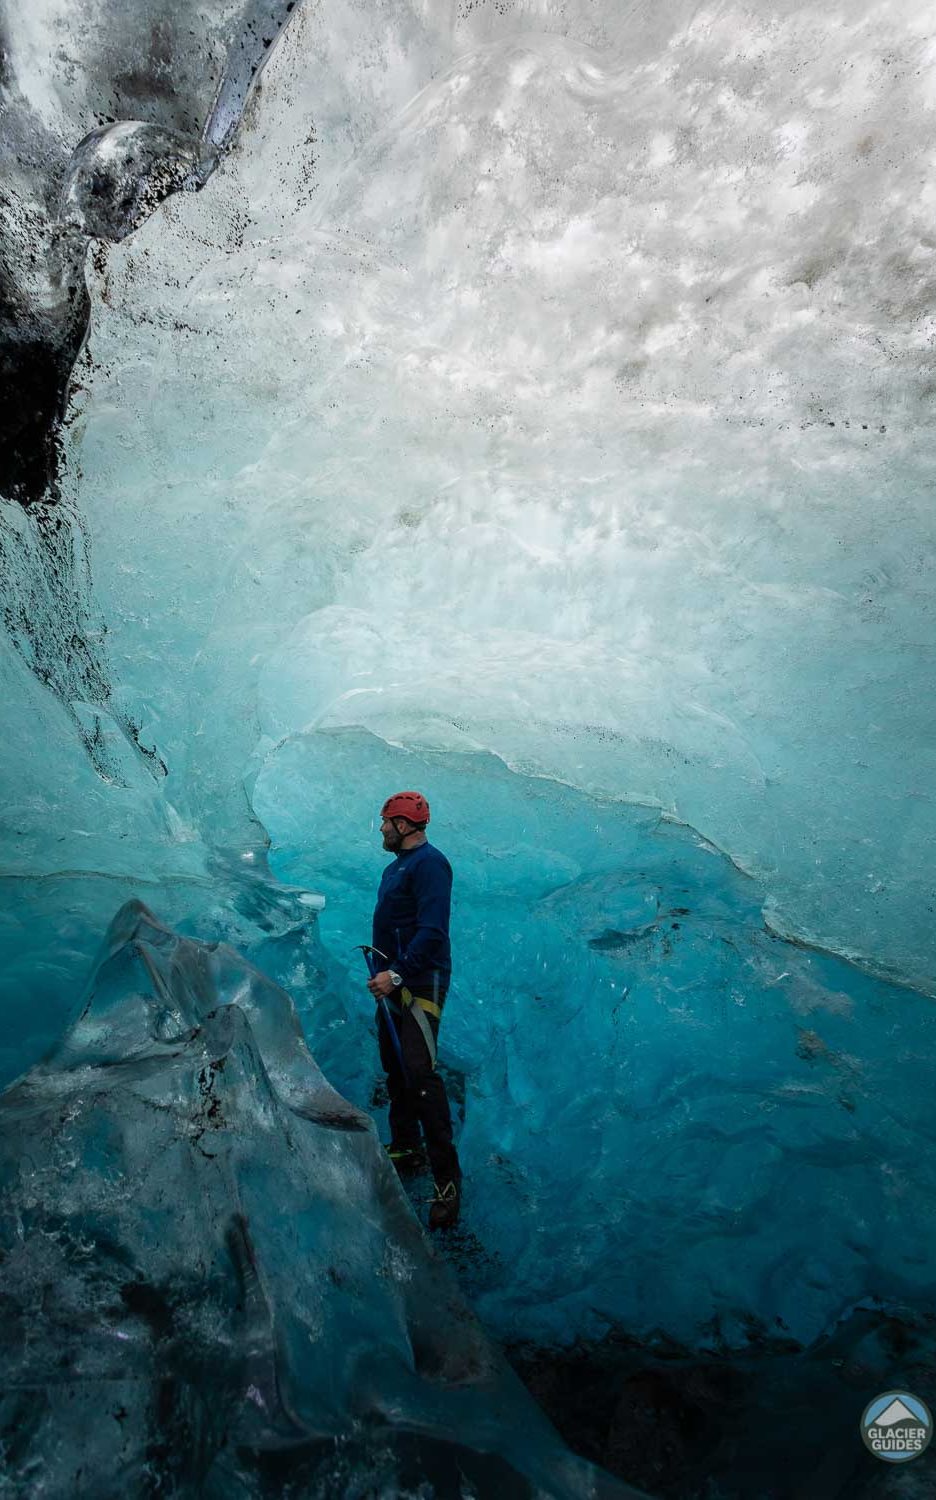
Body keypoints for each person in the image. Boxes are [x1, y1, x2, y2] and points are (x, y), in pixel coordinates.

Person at [368, 790, 462, 1229]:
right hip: (392, 980)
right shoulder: (396, 867)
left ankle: (448, 1183)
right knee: (396, 1067)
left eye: (387, 821)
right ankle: (406, 1145)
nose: (383, 828)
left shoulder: (430, 865)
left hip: (419, 982)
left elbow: (433, 932)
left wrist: (398, 974)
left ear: (405, 825)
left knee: (421, 1075)